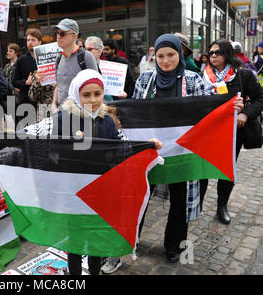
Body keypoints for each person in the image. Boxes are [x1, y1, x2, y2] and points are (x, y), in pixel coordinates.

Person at [0, 69, 163, 275]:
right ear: (76, 94)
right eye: (86, 95)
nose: (93, 99)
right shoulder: (62, 120)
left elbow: (124, 145)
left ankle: (94, 271)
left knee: (95, 239)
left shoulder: (107, 121)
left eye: (97, 93)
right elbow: (30, 133)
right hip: (70, 194)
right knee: (74, 242)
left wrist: (147, 146)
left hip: (99, 192)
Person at [132, 33, 242, 263]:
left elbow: (209, 110)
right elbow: (134, 112)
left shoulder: (193, 79)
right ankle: (131, 238)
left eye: (170, 54)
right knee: (140, 198)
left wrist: (231, 106)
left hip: (182, 154)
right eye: (160, 55)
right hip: (150, 152)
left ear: (179, 54)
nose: (165, 60)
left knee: (180, 203)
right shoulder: (144, 80)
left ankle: (174, 246)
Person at [201, 39, 263, 224]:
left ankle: (222, 206)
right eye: (211, 52)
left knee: (226, 170)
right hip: (208, 131)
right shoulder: (202, 75)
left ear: (227, 54)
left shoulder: (242, 75)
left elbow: (260, 97)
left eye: (218, 52)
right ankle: (197, 205)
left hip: (232, 133)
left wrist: (245, 114)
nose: (213, 56)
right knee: (202, 169)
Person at [51, 18, 98, 113]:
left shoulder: (86, 56)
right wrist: (53, 104)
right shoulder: (59, 58)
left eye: (62, 34)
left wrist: (88, 113)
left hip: (81, 114)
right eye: (57, 33)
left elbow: (96, 86)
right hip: (61, 113)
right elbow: (59, 84)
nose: (58, 37)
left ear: (74, 36)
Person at [85, 35, 127, 102]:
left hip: (106, 106)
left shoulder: (106, 67)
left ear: (99, 51)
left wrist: (119, 93)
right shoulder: (82, 66)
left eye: (89, 49)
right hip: (88, 105)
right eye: (85, 49)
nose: (86, 52)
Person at [12, 28, 43, 113]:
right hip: (26, 103)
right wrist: (26, 82)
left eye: (33, 40)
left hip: (44, 102)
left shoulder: (44, 59)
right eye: (28, 40)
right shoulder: (21, 60)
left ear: (39, 42)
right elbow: (14, 82)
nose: (30, 42)